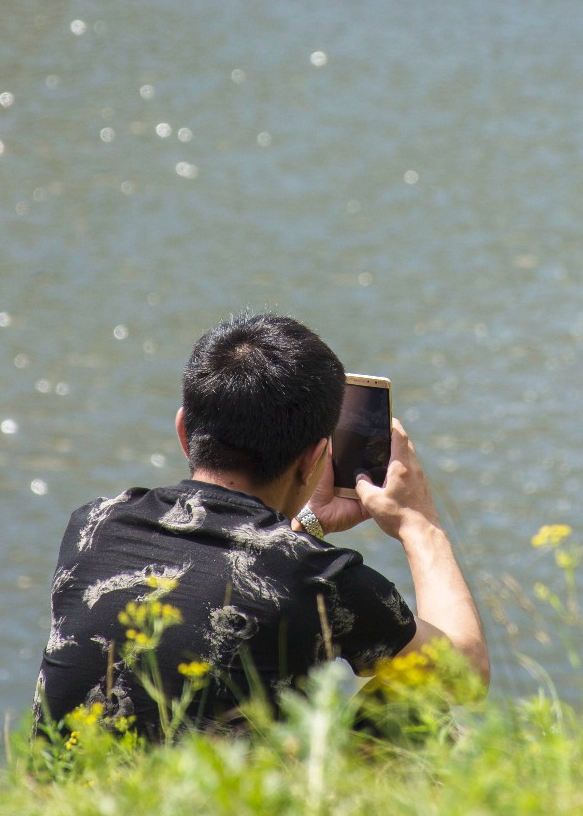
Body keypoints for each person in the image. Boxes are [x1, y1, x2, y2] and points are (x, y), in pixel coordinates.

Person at [32, 313, 488, 740]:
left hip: (67, 806)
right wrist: (418, 524)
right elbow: (465, 674)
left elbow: (230, 567)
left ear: (183, 430)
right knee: (415, 701)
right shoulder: (322, 581)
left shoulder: (93, 524)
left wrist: (304, 526)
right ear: (315, 457)